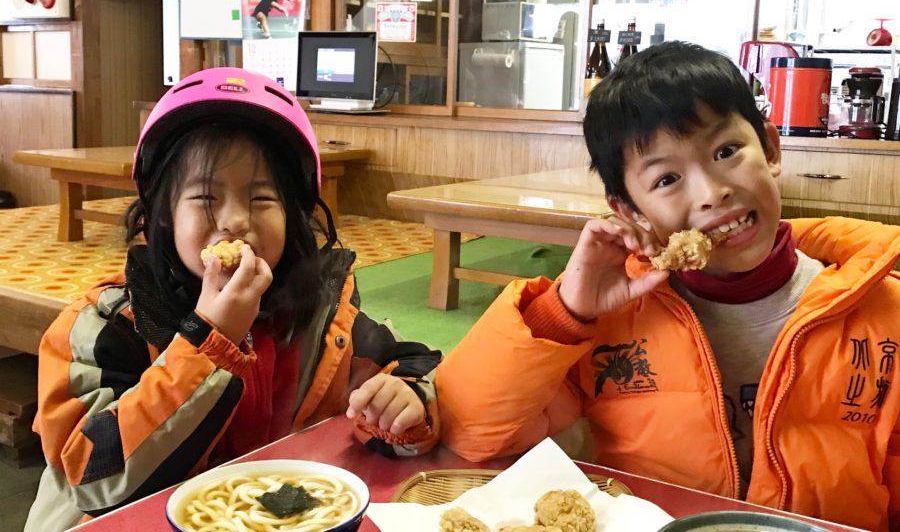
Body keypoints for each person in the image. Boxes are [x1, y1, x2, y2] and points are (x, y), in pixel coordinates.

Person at [435, 41, 900, 531]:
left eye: (727, 151)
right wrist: (564, 311)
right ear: (630, 212)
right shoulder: (609, 324)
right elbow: (472, 434)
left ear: (770, 148)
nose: (711, 192)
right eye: (666, 179)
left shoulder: (882, 310)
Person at [25, 67, 441, 531]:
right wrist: (210, 338)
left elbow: (409, 364)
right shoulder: (107, 325)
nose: (235, 221)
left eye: (262, 198)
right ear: (162, 215)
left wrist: (405, 401)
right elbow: (89, 474)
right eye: (206, 196)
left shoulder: (323, 313)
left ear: (295, 216)